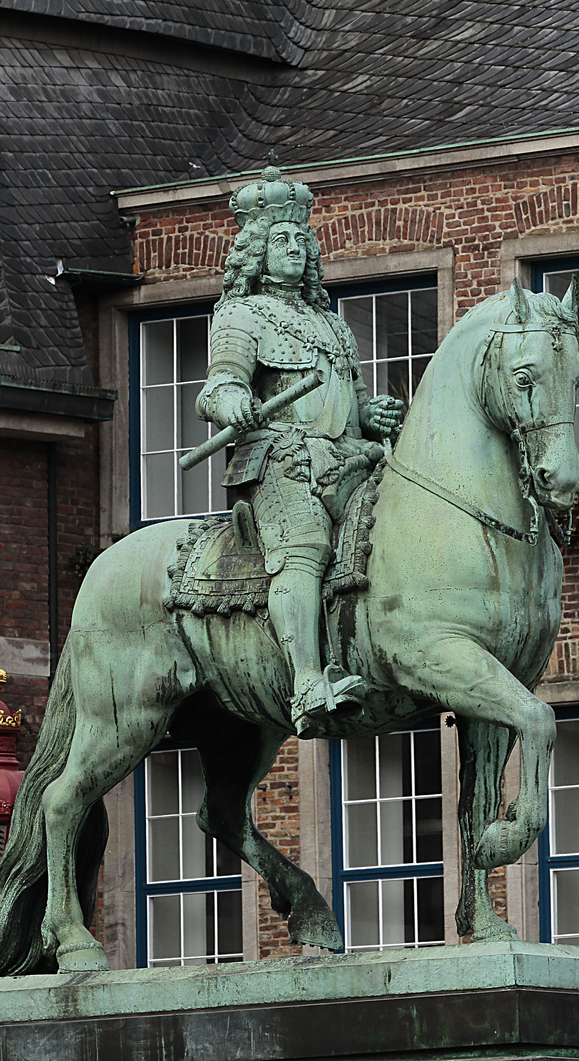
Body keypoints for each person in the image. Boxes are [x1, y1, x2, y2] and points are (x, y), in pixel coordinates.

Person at [196, 167, 404, 737]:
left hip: (351, 457)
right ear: (256, 253)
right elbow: (218, 386)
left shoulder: (332, 325)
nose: (293, 249)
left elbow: (352, 404)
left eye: (300, 241)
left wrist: (372, 415)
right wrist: (234, 401)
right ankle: (308, 683)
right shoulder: (241, 315)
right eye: (280, 241)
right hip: (284, 461)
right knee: (305, 549)